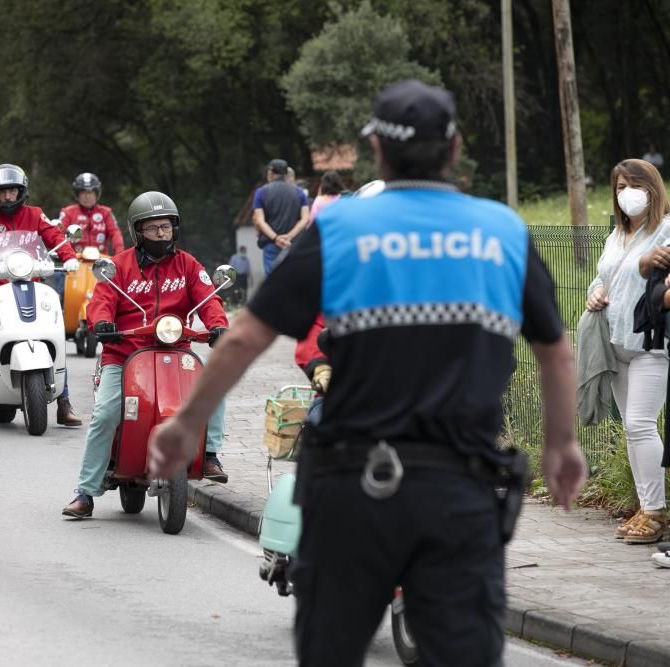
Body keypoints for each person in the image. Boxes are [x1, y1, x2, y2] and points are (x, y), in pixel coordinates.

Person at [150, 79, 587, 666]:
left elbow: (247, 337)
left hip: (354, 491)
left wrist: (185, 423)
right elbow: (555, 350)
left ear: (377, 152)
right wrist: (561, 445)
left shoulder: (341, 229)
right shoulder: (501, 231)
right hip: (458, 494)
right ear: (455, 149)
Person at [61, 191, 230, 519]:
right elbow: (102, 300)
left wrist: (218, 326)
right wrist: (102, 322)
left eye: (166, 227)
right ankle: (85, 491)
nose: (160, 234)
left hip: (176, 349)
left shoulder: (188, 265)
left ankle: (209, 454)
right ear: (137, 231)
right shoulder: (118, 267)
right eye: (152, 228)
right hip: (124, 353)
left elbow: (209, 299)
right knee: (106, 413)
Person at [0, 163, 82, 426]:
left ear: (21, 190)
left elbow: (55, 236)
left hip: (32, 282)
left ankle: (64, 400)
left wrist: (69, 257)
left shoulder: (35, 215)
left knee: (52, 319)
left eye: (13, 190)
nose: (8, 196)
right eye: (3, 192)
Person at [587, 158, 670, 544]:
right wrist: (595, 294)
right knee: (633, 431)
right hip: (615, 342)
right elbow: (602, 278)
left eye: (634, 185)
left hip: (651, 344)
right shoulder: (615, 236)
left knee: (640, 424)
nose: (627, 194)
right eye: (619, 187)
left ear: (652, 188)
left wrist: (644, 264)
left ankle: (655, 512)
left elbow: (659, 282)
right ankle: (645, 505)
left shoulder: (666, 229)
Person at [52, 173, 124, 303]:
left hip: (102, 263)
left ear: (97, 193)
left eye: (91, 192)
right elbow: (59, 235)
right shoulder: (68, 212)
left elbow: (115, 233)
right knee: (58, 282)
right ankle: (62, 315)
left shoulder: (106, 213)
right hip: (74, 262)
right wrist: (65, 256)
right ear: (77, 194)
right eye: (83, 192)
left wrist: (120, 256)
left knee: (119, 289)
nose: (87, 196)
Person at [252, 159, 309, 275]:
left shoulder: (261, 192)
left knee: (273, 282)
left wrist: (276, 238)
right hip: (293, 244)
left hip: (271, 245)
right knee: (293, 280)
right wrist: (289, 236)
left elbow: (259, 220)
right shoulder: (299, 193)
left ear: (271, 172)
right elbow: (305, 218)